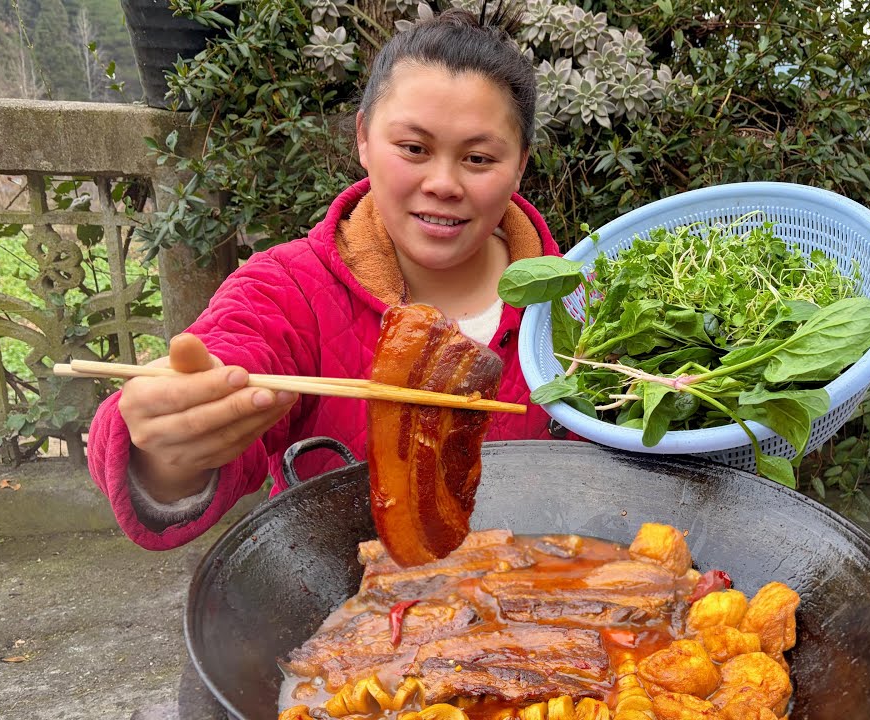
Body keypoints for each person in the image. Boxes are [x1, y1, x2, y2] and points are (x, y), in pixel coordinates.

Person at [87, 7, 566, 550]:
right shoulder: (287, 287)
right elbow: (228, 358)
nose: (443, 183)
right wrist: (165, 453)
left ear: (521, 163)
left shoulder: (583, 304)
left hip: (545, 605)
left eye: (478, 158)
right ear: (363, 138)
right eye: (413, 148)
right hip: (341, 600)